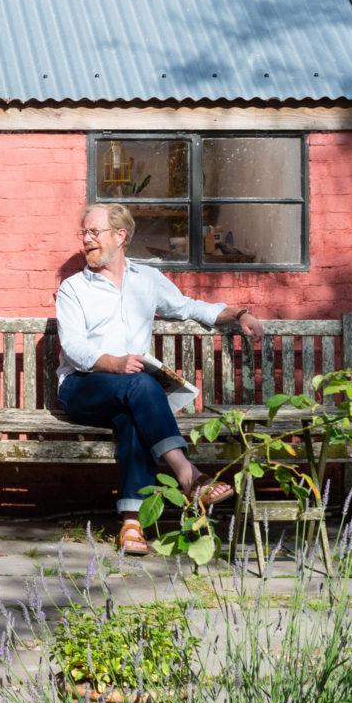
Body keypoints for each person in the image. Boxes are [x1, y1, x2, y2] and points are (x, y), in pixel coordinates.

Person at [56, 203, 266, 555]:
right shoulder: (73, 288)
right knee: (140, 384)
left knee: (131, 416)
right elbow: (74, 347)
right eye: (84, 234)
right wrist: (114, 362)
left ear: (120, 236)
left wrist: (238, 313)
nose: (86, 241)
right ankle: (189, 475)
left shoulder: (147, 280)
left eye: (94, 232)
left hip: (129, 393)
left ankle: (132, 524)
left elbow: (189, 306)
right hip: (82, 387)